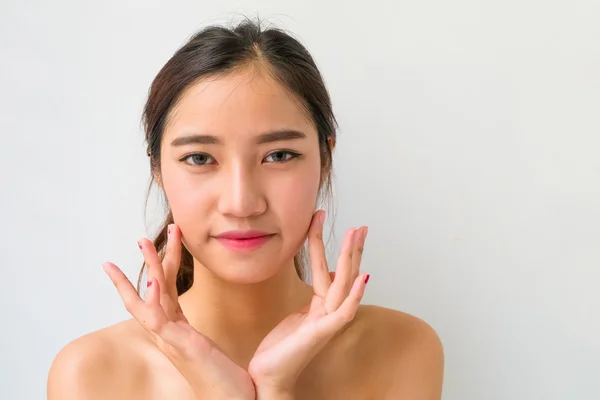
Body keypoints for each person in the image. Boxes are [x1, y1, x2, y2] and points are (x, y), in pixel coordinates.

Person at [47, 18, 444, 399]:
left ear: (325, 159)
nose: (242, 203)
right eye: (200, 159)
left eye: (279, 155)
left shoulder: (401, 350)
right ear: (158, 169)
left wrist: (276, 388)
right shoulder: (91, 374)